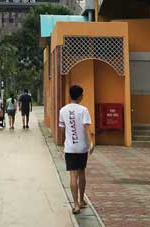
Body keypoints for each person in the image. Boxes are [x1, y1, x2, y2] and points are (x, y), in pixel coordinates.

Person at [59, 84, 94, 215]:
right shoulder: (83, 110)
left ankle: (75, 205)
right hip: (81, 147)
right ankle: (81, 200)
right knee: (81, 173)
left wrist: (65, 141)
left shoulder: (63, 110)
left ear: (69, 95)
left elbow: (62, 129)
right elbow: (86, 128)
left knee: (72, 175)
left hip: (70, 147)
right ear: (81, 96)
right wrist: (91, 142)